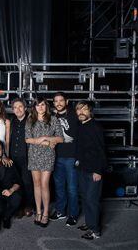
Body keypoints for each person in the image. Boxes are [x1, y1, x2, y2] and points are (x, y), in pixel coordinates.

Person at [25, 97, 63, 227]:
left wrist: (46, 137)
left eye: (42, 105)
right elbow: (27, 139)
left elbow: (60, 139)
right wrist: (45, 141)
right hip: (34, 155)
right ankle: (39, 211)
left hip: (48, 156)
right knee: (36, 184)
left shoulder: (53, 119)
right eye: (37, 105)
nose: (40, 107)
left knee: (44, 184)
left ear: (46, 106)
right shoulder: (30, 120)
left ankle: (46, 212)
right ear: (34, 107)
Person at [75, 101, 107, 240]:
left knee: (92, 200)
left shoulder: (95, 127)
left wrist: (98, 171)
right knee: (85, 198)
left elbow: (101, 150)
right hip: (82, 169)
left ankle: (95, 231)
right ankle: (89, 223)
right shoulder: (80, 126)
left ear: (90, 112)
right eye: (78, 109)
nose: (81, 112)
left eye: (84, 110)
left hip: (94, 171)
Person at [50, 92, 79, 226]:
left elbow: (81, 136)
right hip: (56, 157)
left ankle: (73, 214)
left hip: (71, 156)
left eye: (61, 100)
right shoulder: (51, 116)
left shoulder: (74, 115)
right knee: (59, 186)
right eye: (56, 101)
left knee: (72, 188)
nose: (59, 103)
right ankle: (61, 211)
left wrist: (79, 156)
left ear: (66, 101)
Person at [0, 140, 22, 229]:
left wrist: (11, 190)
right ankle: (0, 215)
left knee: (17, 198)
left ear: (3, 151)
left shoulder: (9, 163)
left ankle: (7, 216)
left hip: (8, 190)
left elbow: (18, 182)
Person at [9, 98, 34, 218]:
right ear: (13, 110)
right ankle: (19, 207)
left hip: (27, 156)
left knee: (27, 182)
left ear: (25, 108)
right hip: (13, 157)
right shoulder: (12, 121)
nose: (18, 109)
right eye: (15, 107)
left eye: (20, 107)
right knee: (16, 182)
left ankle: (28, 205)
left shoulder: (31, 120)